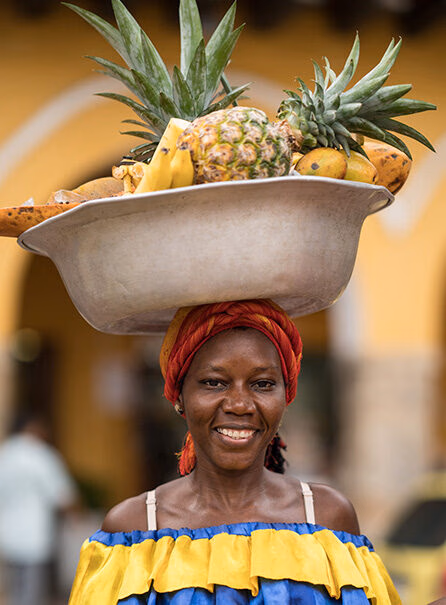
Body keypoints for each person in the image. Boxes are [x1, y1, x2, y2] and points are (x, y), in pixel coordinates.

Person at [69, 299, 401, 604]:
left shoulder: (328, 519)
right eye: (214, 382)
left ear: (286, 396)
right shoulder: (134, 530)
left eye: (263, 384)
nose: (240, 405)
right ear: (178, 395)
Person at [0, 413, 77, 605]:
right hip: (35, 536)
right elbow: (63, 496)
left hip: (7, 535)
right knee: (31, 594)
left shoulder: (5, 454)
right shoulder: (41, 455)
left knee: (14, 591)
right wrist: (76, 519)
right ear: (32, 427)